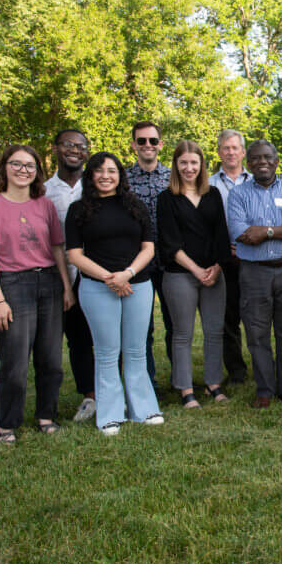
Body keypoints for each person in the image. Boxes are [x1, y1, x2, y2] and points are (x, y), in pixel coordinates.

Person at [0, 145, 73, 443]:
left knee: (51, 359)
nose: (23, 170)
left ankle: (46, 416)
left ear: (37, 172)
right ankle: (7, 425)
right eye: (16, 164)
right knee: (15, 362)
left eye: (29, 166)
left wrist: (67, 286)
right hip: (13, 286)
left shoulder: (44, 205)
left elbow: (57, 248)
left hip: (50, 285)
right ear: (4, 168)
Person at [65, 152, 163, 436]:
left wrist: (127, 274)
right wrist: (109, 278)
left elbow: (148, 248)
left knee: (135, 351)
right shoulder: (78, 210)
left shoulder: (136, 206)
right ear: (90, 175)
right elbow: (75, 255)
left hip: (138, 284)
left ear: (120, 175)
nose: (105, 176)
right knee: (107, 353)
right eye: (99, 170)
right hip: (98, 287)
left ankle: (143, 410)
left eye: (112, 170)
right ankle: (110, 415)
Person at [227, 140, 282, 408]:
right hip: (254, 272)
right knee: (257, 332)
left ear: (277, 161)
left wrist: (265, 231)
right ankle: (264, 389)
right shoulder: (238, 194)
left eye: (267, 157)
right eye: (255, 158)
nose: (262, 162)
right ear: (248, 163)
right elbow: (241, 233)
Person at [157, 140, 231, 409]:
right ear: (176, 165)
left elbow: (222, 234)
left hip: (214, 273)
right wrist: (196, 270)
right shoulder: (167, 198)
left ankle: (213, 383)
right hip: (180, 274)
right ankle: (186, 389)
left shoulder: (213, 195)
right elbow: (169, 242)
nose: (189, 168)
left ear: (202, 165)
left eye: (194, 163)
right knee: (182, 333)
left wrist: (217, 267)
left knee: (214, 331)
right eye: (183, 163)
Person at [44, 129, 96, 422]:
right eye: (68, 144)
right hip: (61, 273)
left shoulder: (96, 185)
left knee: (104, 335)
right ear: (55, 148)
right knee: (75, 337)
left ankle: (111, 390)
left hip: (97, 272)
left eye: (81, 146)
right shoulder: (43, 190)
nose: (75, 150)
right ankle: (89, 396)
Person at [126, 120, 172, 385]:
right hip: (136, 262)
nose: (147, 145)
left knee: (174, 325)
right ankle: (146, 381)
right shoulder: (123, 179)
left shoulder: (172, 177)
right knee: (142, 328)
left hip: (169, 262)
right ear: (134, 145)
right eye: (141, 141)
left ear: (160, 145)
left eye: (152, 141)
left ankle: (180, 380)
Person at [209, 129, 252, 385]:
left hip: (254, 258)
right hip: (224, 259)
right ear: (219, 152)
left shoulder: (257, 180)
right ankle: (236, 371)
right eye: (226, 148)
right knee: (228, 317)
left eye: (235, 147)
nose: (231, 152)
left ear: (243, 152)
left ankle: (262, 364)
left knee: (257, 315)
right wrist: (225, 248)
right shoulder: (208, 184)